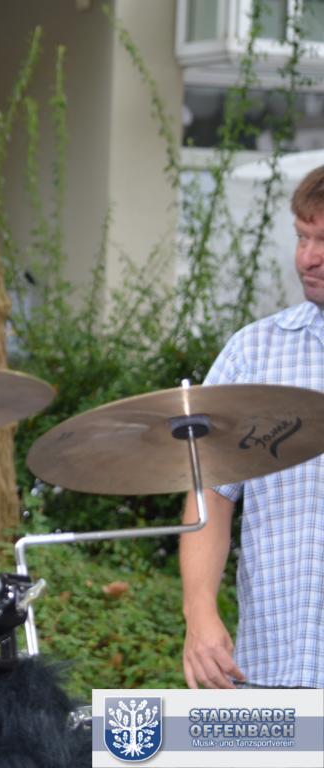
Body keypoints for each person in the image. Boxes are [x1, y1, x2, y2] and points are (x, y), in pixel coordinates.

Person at [180, 165, 324, 690]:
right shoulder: (254, 352)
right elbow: (211, 492)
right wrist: (199, 614)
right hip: (272, 666)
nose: (307, 258)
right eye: (302, 237)